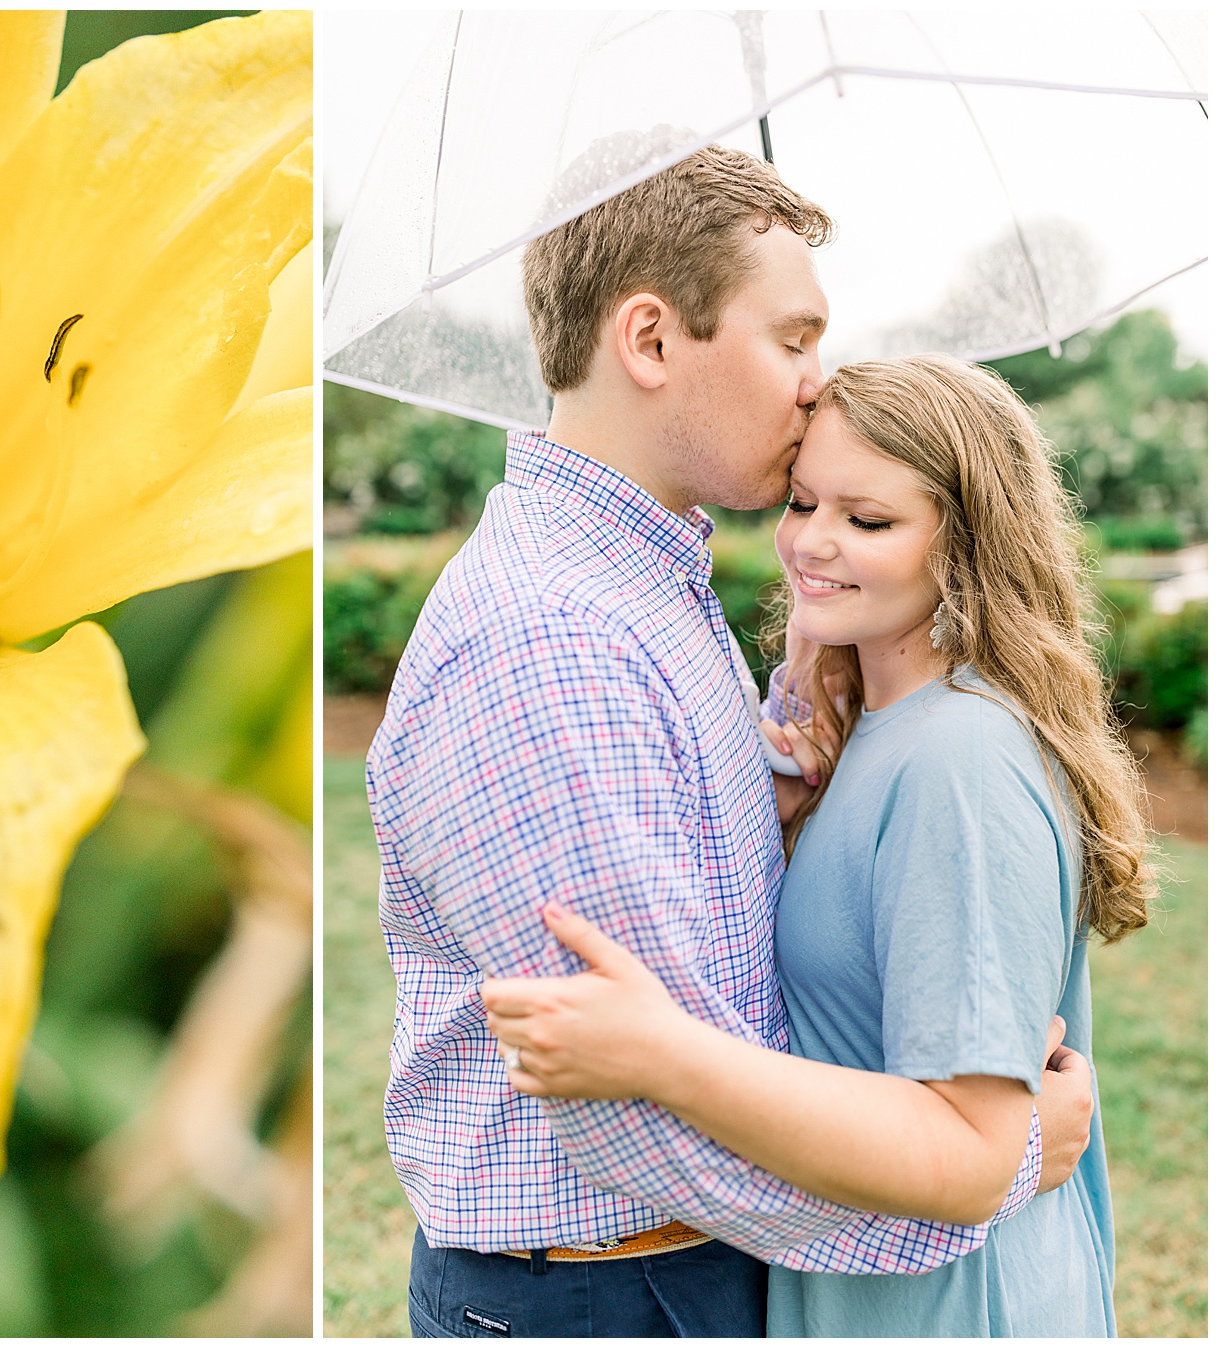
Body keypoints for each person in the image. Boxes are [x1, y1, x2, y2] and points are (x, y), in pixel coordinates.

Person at [365, 145, 1095, 1339]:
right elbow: (645, 1119)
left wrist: (774, 807)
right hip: (613, 1285)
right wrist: (997, 1164)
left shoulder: (647, 577)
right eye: (794, 337)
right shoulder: (554, 640)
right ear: (651, 341)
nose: (819, 383)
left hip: (665, 1270)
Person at [482, 354, 1148, 1335]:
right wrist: (789, 834)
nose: (812, 544)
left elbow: (974, 1147)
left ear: (966, 544)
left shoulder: (960, 756)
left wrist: (662, 1054)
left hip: (949, 1310)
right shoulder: (881, 735)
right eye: (801, 503)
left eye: (867, 520)